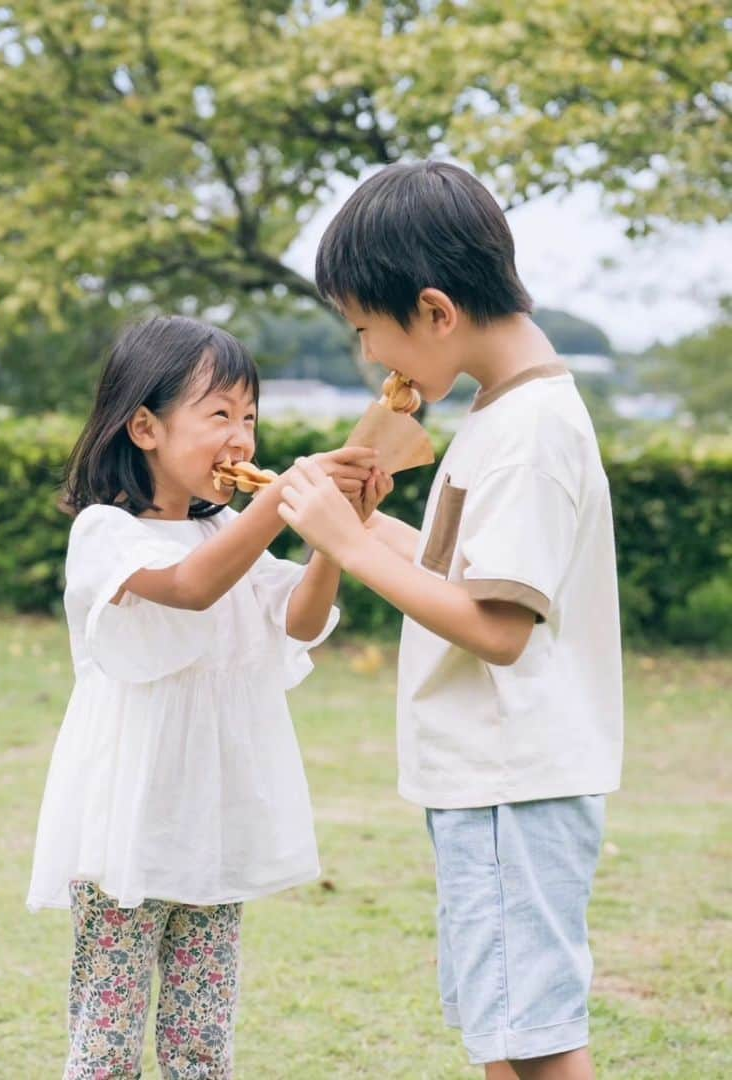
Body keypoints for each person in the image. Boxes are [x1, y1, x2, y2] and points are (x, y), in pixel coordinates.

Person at [276, 161, 623, 1080]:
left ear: (434, 312)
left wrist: (346, 549)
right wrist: (345, 515)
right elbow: (455, 574)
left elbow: (499, 627)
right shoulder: (499, 413)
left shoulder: (528, 435)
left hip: (515, 777)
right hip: (490, 777)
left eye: (366, 332)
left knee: (537, 1043)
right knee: (504, 1034)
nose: (368, 361)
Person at [27, 314, 387, 1079]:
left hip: (214, 821)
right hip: (126, 824)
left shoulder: (227, 526)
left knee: (201, 1041)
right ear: (146, 426)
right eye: (219, 414)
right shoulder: (106, 532)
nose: (242, 438)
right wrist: (283, 501)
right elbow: (191, 588)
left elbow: (301, 619)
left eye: (250, 417)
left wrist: (333, 536)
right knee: (108, 1043)